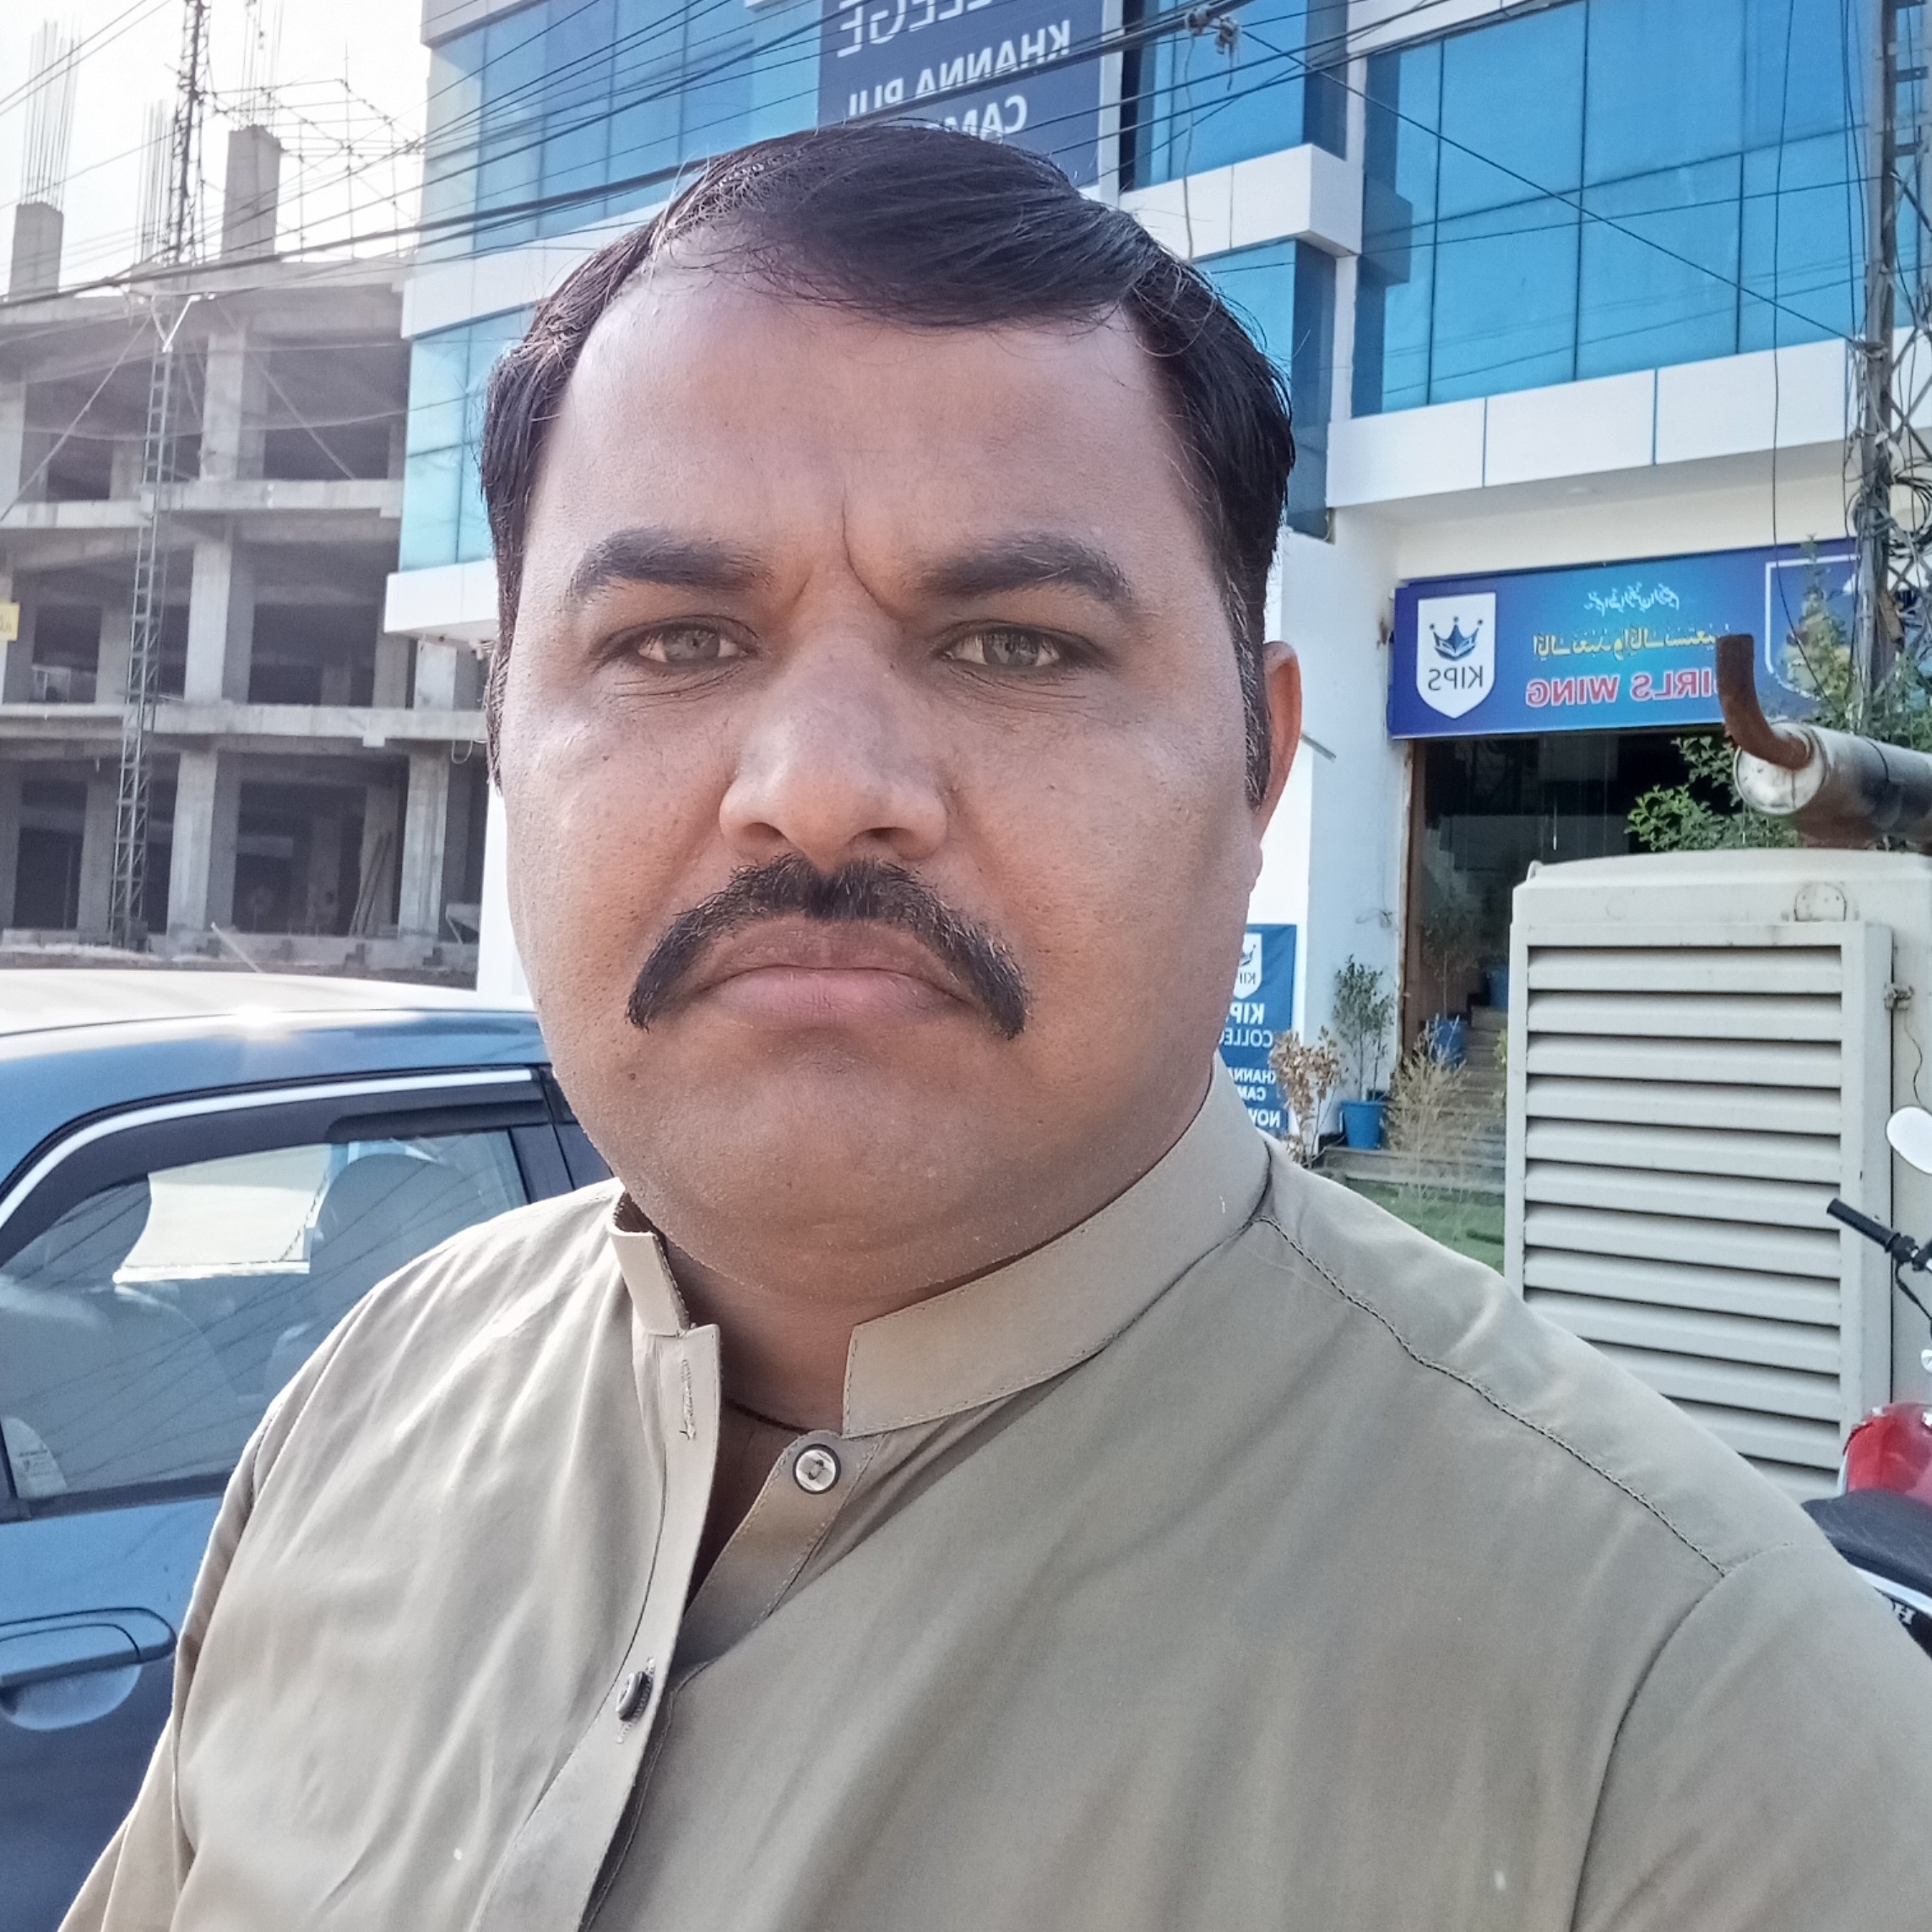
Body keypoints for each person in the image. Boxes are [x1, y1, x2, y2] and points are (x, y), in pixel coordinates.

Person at [66, 126, 1932, 1932]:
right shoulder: (370, 1404)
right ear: (500, 747)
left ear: (1262, 765)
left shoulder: (1697, 1744)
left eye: (1016, 643)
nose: (817, 789)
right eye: (675, 640)